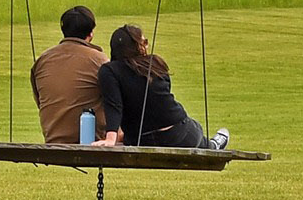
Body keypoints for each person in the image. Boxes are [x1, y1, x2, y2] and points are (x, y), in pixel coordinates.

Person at [96, 23, 231, 149]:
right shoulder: (155, 64)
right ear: (137, 47)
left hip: (140, 139)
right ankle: (213, 145)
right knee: (196, 130)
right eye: (145, 42)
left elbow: (114, 105)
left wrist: (111, 139)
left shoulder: (109, 71)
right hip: (178, 132)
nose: (147, 47)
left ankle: (212, 144)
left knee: (194, 130)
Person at [29, 6, 106, 145]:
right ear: (91, 33)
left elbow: (40, 101)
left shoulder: (43, 60)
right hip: (92, 140)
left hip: (53, 138)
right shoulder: (99, 60)